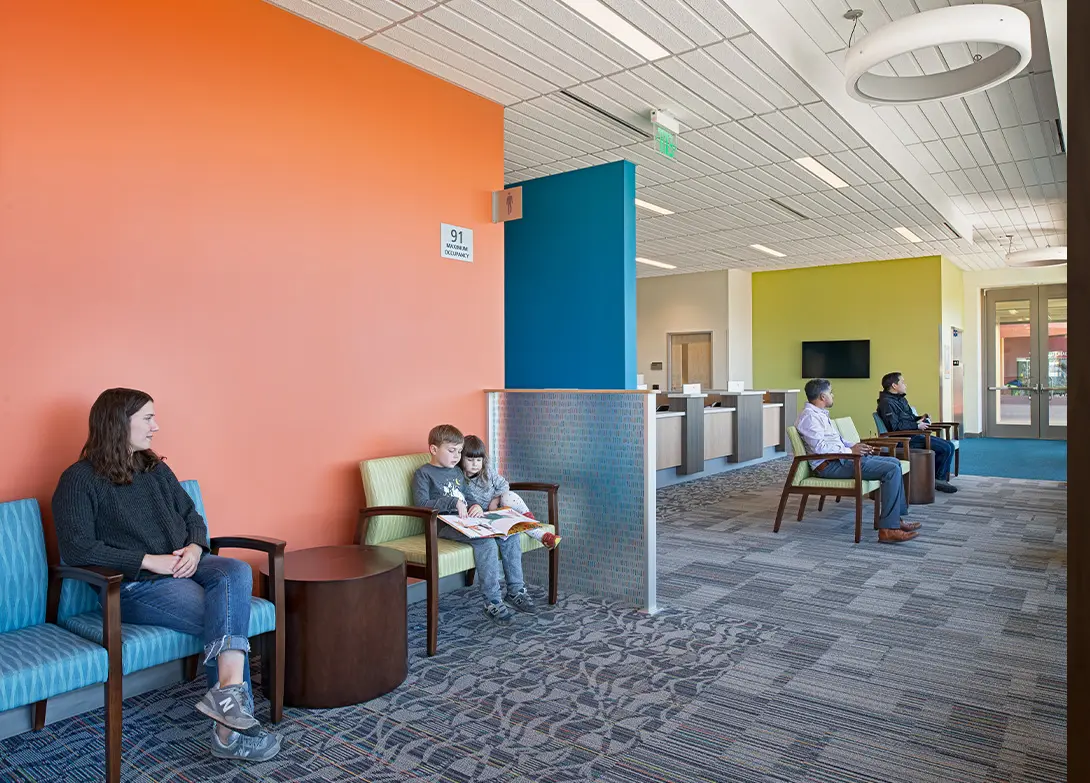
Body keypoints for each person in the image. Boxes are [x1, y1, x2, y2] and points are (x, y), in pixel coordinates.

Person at [52, 388, 281, 761]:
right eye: (147, 418)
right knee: (219, 614)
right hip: (136, 585)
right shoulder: (78, 480)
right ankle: (230, 732)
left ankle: (227, 707)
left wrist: (194, 547)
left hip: (185, 563)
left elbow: (192, 515)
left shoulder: (153, 467)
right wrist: (148, 560)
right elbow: (79, 549)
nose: (156, 427)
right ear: (117, 422)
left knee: (236, 570)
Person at [411, 424, 535, 622]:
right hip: (444, 525)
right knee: (485, 542)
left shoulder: (456, 472)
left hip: (467, 520)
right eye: (451, 451)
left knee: (509, 533)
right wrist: (453, 502)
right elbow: (422, 505)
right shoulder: (424, 474)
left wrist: (475, 505)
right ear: (434, 449)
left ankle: (515, 590)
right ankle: (492, 602)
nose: (456, 456)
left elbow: (467, 496)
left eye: (459, 452)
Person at [796, 379, 918, 543]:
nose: (833, 395)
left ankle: (896, 519)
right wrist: (849, 451)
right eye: (831, 393)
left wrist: (854, 445)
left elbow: (835, 441)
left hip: (841, 459)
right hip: (831, 466)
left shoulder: (820, 414)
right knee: (892, 470)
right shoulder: (809, 418)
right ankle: (888, 530)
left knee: (894, 463)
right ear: (823, 396)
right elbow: (819, 448)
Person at [459, 434, 561, 550]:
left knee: (508, 496)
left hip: (498, 508)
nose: (475, 464)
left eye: (478, 460)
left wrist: (495, 500)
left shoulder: (487, 472)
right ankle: (541, 534)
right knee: (513, 523)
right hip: (480, 516)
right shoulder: (458, 477)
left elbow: (504, 485)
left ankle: (529, 520)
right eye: (470, 460)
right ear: (461, 458)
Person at [877, 372, 957, 493]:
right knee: (946, 447)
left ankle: (937, 479)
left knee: (948, 446)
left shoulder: (901, 399)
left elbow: (908, 418)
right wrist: (916, 425)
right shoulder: (886, 403)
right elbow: (895, 427)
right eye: (902, 382)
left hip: (912, 435)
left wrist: (920, 418)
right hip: (903, 440)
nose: (905, 385)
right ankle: (937, 479)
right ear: (894, 385)